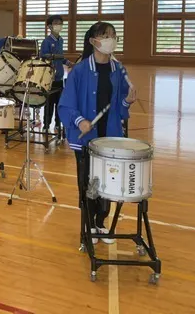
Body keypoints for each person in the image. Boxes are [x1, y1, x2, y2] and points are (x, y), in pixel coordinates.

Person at [58, 22, 136, 244]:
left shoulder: (118, 70)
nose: (111, 39)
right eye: (105, 35)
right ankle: (88, 225)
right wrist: (80, 121)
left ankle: (101, 222)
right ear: (93, 41)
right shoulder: (79, 71)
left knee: (109, 181)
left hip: (109, 136)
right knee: (88, 184)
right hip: (86, 140)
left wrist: (127, 100)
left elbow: (120, 105)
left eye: (113, 35)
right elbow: (65, 105)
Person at [40, 15, 72, 134]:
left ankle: (58, 124)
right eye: (56, 23)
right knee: (49, 103)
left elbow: (61, 57)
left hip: (59, 77)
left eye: (60, 23)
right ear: (49, 26)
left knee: (60, 103)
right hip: (50, 78)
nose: (59, 25)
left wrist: (68, 62)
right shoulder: (47, 41)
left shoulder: (61, 40)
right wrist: (55, 57)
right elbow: (43, 56)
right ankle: (46, 125)